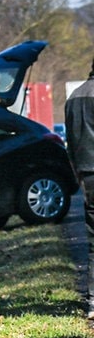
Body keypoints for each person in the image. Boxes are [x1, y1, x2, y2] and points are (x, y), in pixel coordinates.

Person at [64, 61, 94, 321]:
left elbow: (70, 141)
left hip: (86, 173)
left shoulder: (73, 97)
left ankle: (93, 301)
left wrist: (77, 172)